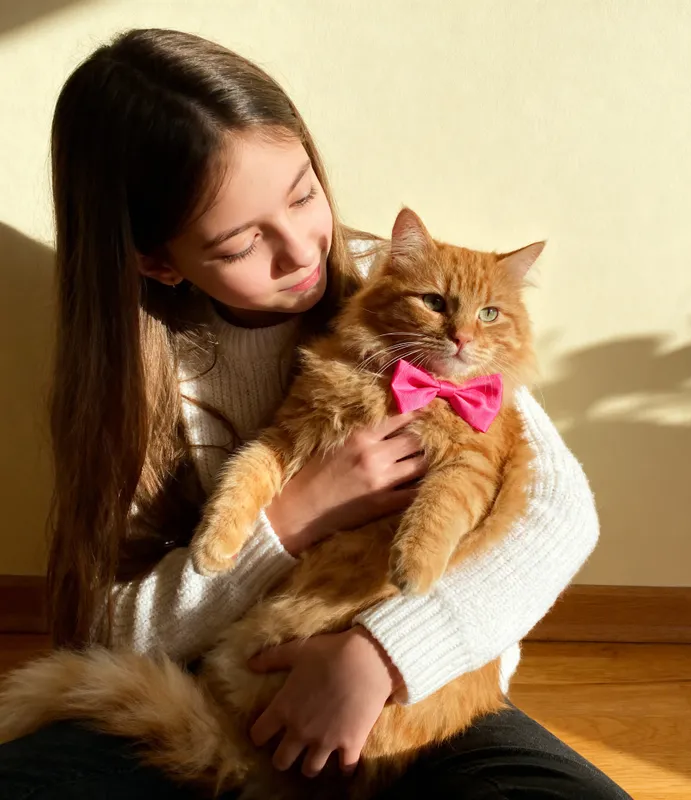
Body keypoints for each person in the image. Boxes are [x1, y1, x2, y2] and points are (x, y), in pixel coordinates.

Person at [0, 28, 630, 800]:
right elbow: (111, 632)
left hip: (423, 689)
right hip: (232, 694)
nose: (300, 248)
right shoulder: (141, 378)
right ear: (157, 260)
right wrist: (291, 518)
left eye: (303, 193)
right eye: (239, 241)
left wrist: (380, 656)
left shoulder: (401, 282)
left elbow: (562, 518)